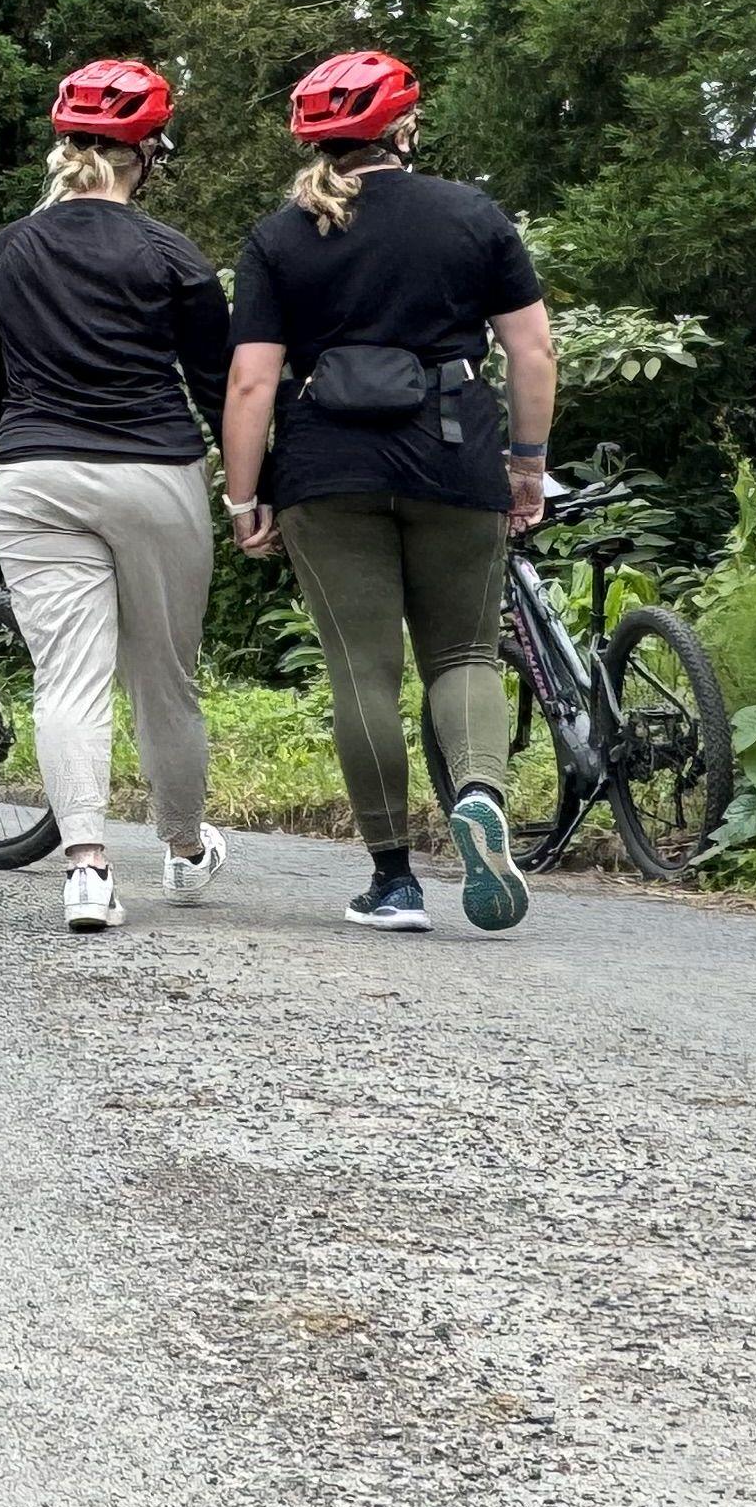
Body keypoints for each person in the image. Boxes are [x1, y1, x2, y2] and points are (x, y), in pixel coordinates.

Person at [216, 49, 556, 936]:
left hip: (325, 474)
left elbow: (252, 382)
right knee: (465, 657)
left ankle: (394, 882)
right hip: (455, 459)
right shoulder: (469, 214)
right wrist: (525, 464)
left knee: (362, 671)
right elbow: (532, 353)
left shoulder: (280, 235)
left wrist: (242, 498)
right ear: (403, 128)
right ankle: (478, 794)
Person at [0, 56, 232, 936]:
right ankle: (185, 851)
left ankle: (85, 870)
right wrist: (252, 487)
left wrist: (18, 441)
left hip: (35, 473)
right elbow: (219, 380)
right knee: (166, 679)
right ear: (145, 154)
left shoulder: (6, 251)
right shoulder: (169, 254)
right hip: (157, 471)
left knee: (65, 679)